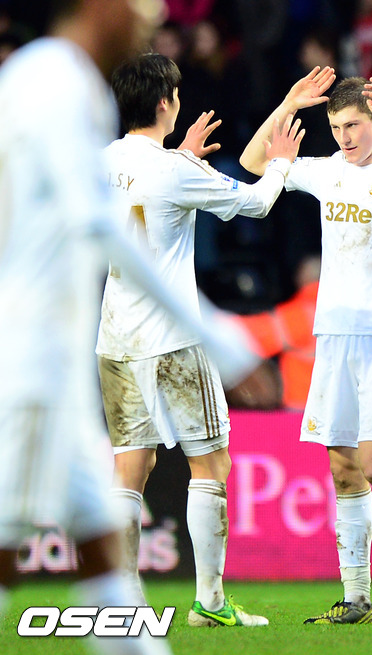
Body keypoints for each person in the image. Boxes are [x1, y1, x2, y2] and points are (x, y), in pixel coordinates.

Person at [95, 52, 304, 627]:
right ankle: (210, 603)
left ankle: (125, 605)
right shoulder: (174, 171)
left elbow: (142, 203)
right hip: (172, 339)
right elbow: (257, 204)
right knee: (211, 464)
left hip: (115, 337)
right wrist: (281, 164)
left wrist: (183, 157)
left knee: (128, 469)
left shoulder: (102, 161)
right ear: (166, 103)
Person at [240, 65, 372, 625]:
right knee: (343, 470)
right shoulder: (327, 170)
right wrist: (289, 105)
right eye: (336, 128)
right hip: (334, 339)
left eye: (354, 125)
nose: (345, 137)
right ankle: (356, 599)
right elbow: (254, 162)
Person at [0, 0, 178, 653]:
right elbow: (97, 220)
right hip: (32, 362)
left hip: (53, 367)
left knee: (106, 562)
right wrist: (215, 336)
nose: (155, 12)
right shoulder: (58, 81)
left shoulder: (50, 76)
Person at [233, 254, 321, 410]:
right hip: (340, 409)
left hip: (303, 410)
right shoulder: (350, 316)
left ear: (301, 278)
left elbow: (250, 336)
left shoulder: (301, 314)